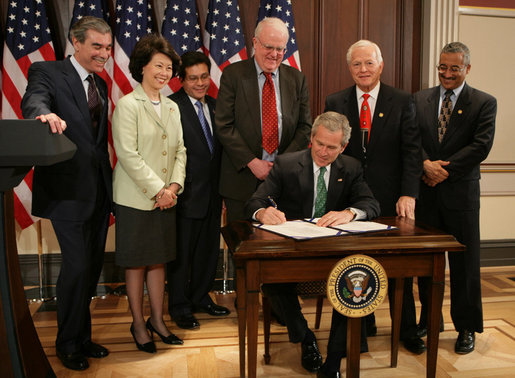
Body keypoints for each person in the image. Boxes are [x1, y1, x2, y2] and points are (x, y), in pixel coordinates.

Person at [245, 112, 380, 373]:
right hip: (293, 251)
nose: (324, 152)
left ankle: (333, 361)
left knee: (353, 278)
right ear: (311, 138)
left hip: (334, 252)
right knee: (272, 280)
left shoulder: (350, 167)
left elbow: (371, 204)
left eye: (332, 147)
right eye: (320, 144)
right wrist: (262, 213)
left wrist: (349, 213)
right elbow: (254, 201)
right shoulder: (286, 164)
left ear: (342, 148)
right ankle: (305, 337)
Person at [322, 39, 423, 375]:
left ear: (381, 66)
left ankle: (406, 330)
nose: (363, 70)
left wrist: (409, 193)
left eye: (369, 63)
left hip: (392, 199)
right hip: (348, 201)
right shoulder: (336, 101)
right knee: (353, 264)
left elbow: (412, 151)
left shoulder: (403, 100)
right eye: (356, 65)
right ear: (349, 68)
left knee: (399, 269)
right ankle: (358, 331)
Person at [21, 16, 113, 371]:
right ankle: (66, 343)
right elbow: (35, 101)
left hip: (98, 191)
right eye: (96, 47)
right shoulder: (47, 71)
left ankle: (83, 336)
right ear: (76, 43)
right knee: (75, 266)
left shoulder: (101, 85)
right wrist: (44, 115)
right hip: (66, 191)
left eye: (107, 48)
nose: (104, 54)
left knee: (89, 270)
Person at [414, 42, 496, 355]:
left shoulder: (484, 102)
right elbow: (410, 138)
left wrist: (443, 170)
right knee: (426, 264)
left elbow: (480, 146)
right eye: (442, 67)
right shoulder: (419, 99)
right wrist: (424, 164)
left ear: (467, 69)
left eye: (454, 68)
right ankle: (428, 319)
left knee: (465, 265)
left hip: (461, 194)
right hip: (426, 194)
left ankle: (466, 326)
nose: (447, 74)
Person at [112, 35, 186, 354]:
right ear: (143, 67)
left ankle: (157, 320)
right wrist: (159, 189)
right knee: (137, 264)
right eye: (159, 65)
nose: (164, 72)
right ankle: (138, 324)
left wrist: (173, 188)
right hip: (135, 199)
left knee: (158, 262)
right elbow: (128, 155)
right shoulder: (128, 105)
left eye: (169, 67)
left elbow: (181, 150)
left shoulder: (172, 106)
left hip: (165, 199)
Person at [215, 17, 311, 223]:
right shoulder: (233, 75)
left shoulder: (297, 79)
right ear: (255, 43)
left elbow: (305, 127)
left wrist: (282, 164)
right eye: (269, 47)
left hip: (284, 181)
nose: (274, 54)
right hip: (241, 180)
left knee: (281, 247)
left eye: (280, 49)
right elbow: (224, 124)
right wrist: (252, 162)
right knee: (241, 247)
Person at [167, 51, 229, 330]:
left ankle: (201, 297)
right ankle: (179, 306)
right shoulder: (170, 107)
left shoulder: (217, 106)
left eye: (204, 76)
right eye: (193, 78)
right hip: (185, 194)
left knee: (207, 251)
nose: (201, 83)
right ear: (181, 80)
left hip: (214, 194)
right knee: (181, 255)